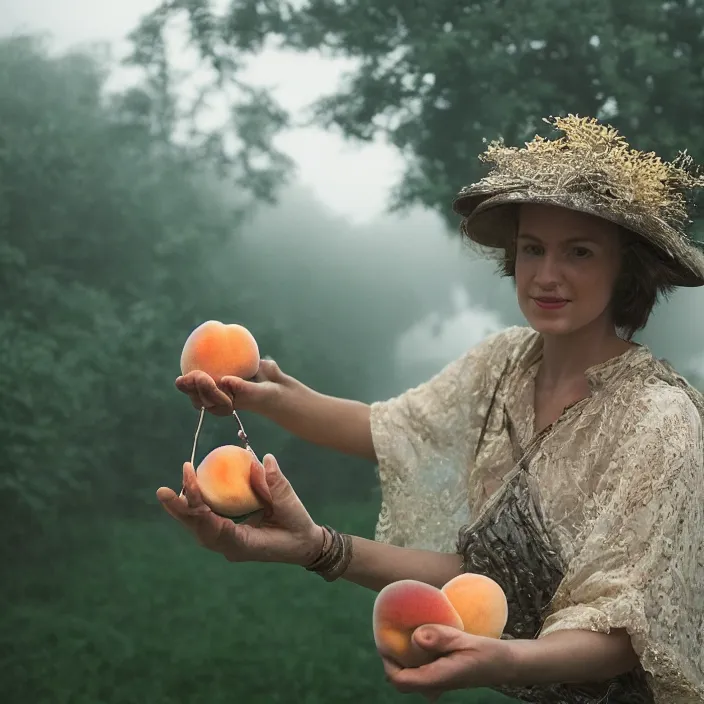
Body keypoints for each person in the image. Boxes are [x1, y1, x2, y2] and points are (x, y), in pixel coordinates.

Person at [158, 115, 704, 703]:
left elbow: (627, 628)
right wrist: (261, 397)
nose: (547, 275)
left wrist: (499, 659)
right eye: (532, 248)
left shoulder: (661, 421)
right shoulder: (504, 366)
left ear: (626, 268)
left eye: (580, 252)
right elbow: (389, 429)